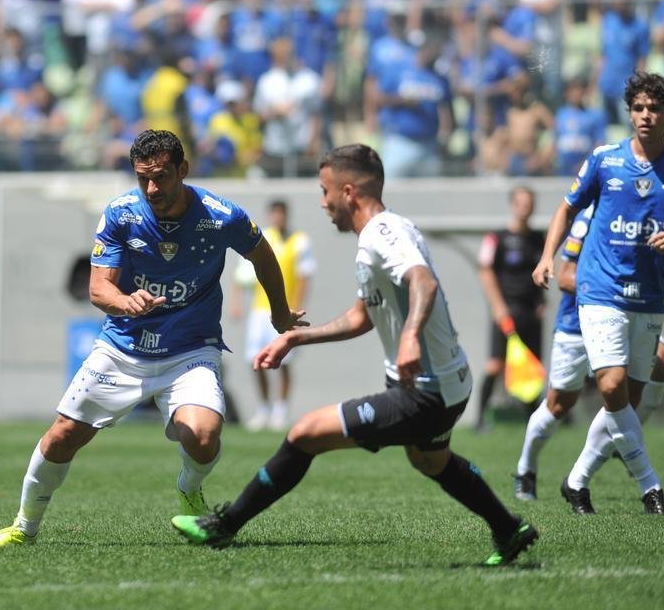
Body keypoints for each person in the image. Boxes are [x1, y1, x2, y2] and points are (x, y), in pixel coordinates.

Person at [171, 144, 538, 567]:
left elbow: (423, 282)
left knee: (305, 433)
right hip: (445, 382)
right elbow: (362, 316)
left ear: (348, 192)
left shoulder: (385, 233)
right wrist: (296, 339)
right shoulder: (374, 238)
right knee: (430, 459)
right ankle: (508, 528)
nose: (322, 202)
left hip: (427, 390)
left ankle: (224, 525)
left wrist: (410, 336)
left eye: (324, 191)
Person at [0, 129, 305, 548]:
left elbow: (262, 255)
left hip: (191, 350)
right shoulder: (121, 213)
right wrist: (125, 301)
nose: (151, 188)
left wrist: (279, 311)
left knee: (204, 436)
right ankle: (23, 527)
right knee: (62, 435)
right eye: (142, 178)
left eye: (161, 176)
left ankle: (189, 490)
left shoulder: (221, 215)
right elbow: (99, 288)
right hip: (122, 349)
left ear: (183, 170)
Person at [532, 72, 664, 515]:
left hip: (648, 296)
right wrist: (547, 256)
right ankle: (650, 485)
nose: (646, 115)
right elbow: (566, 207)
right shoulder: (604, 159)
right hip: (601, 289)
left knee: (626, 401)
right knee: (611, 387)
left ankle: (576, 481)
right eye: (638, 108)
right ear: (629, 113)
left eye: (654, 108)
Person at [513, 204, 664, 500]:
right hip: (578, 323)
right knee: (558, 405)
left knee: (659, 365)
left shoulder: (640, 213)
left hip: (628, 316)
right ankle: (526, 469)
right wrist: (614, 290)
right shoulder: (589, 218)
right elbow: (565, 278)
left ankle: (623, 442)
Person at [232, 199, 316, 431]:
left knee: (284, 361)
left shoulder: (300, 241)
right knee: (255, 359)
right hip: (259, 311)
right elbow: (240, 275)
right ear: (270, 215)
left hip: (284, 312)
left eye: (282, 213)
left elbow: (304, 277)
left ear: (287, 215)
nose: (278, 217)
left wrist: (295, 307)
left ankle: (281, 410)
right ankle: (264, 409)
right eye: (275, 213)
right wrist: (236, 303)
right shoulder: (261, 238)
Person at [475, 186, 547, 430]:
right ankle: (480, 420)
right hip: (506, 310)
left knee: (532, 366)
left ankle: (532, 423)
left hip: (530, 312)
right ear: (513, 205)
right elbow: (485, 270)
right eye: (521, 203)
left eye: (529, 203)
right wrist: (498, 306)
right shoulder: (497, 238)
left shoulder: (539, 238)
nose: (525, 208)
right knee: (495, 364)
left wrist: (542, 302)